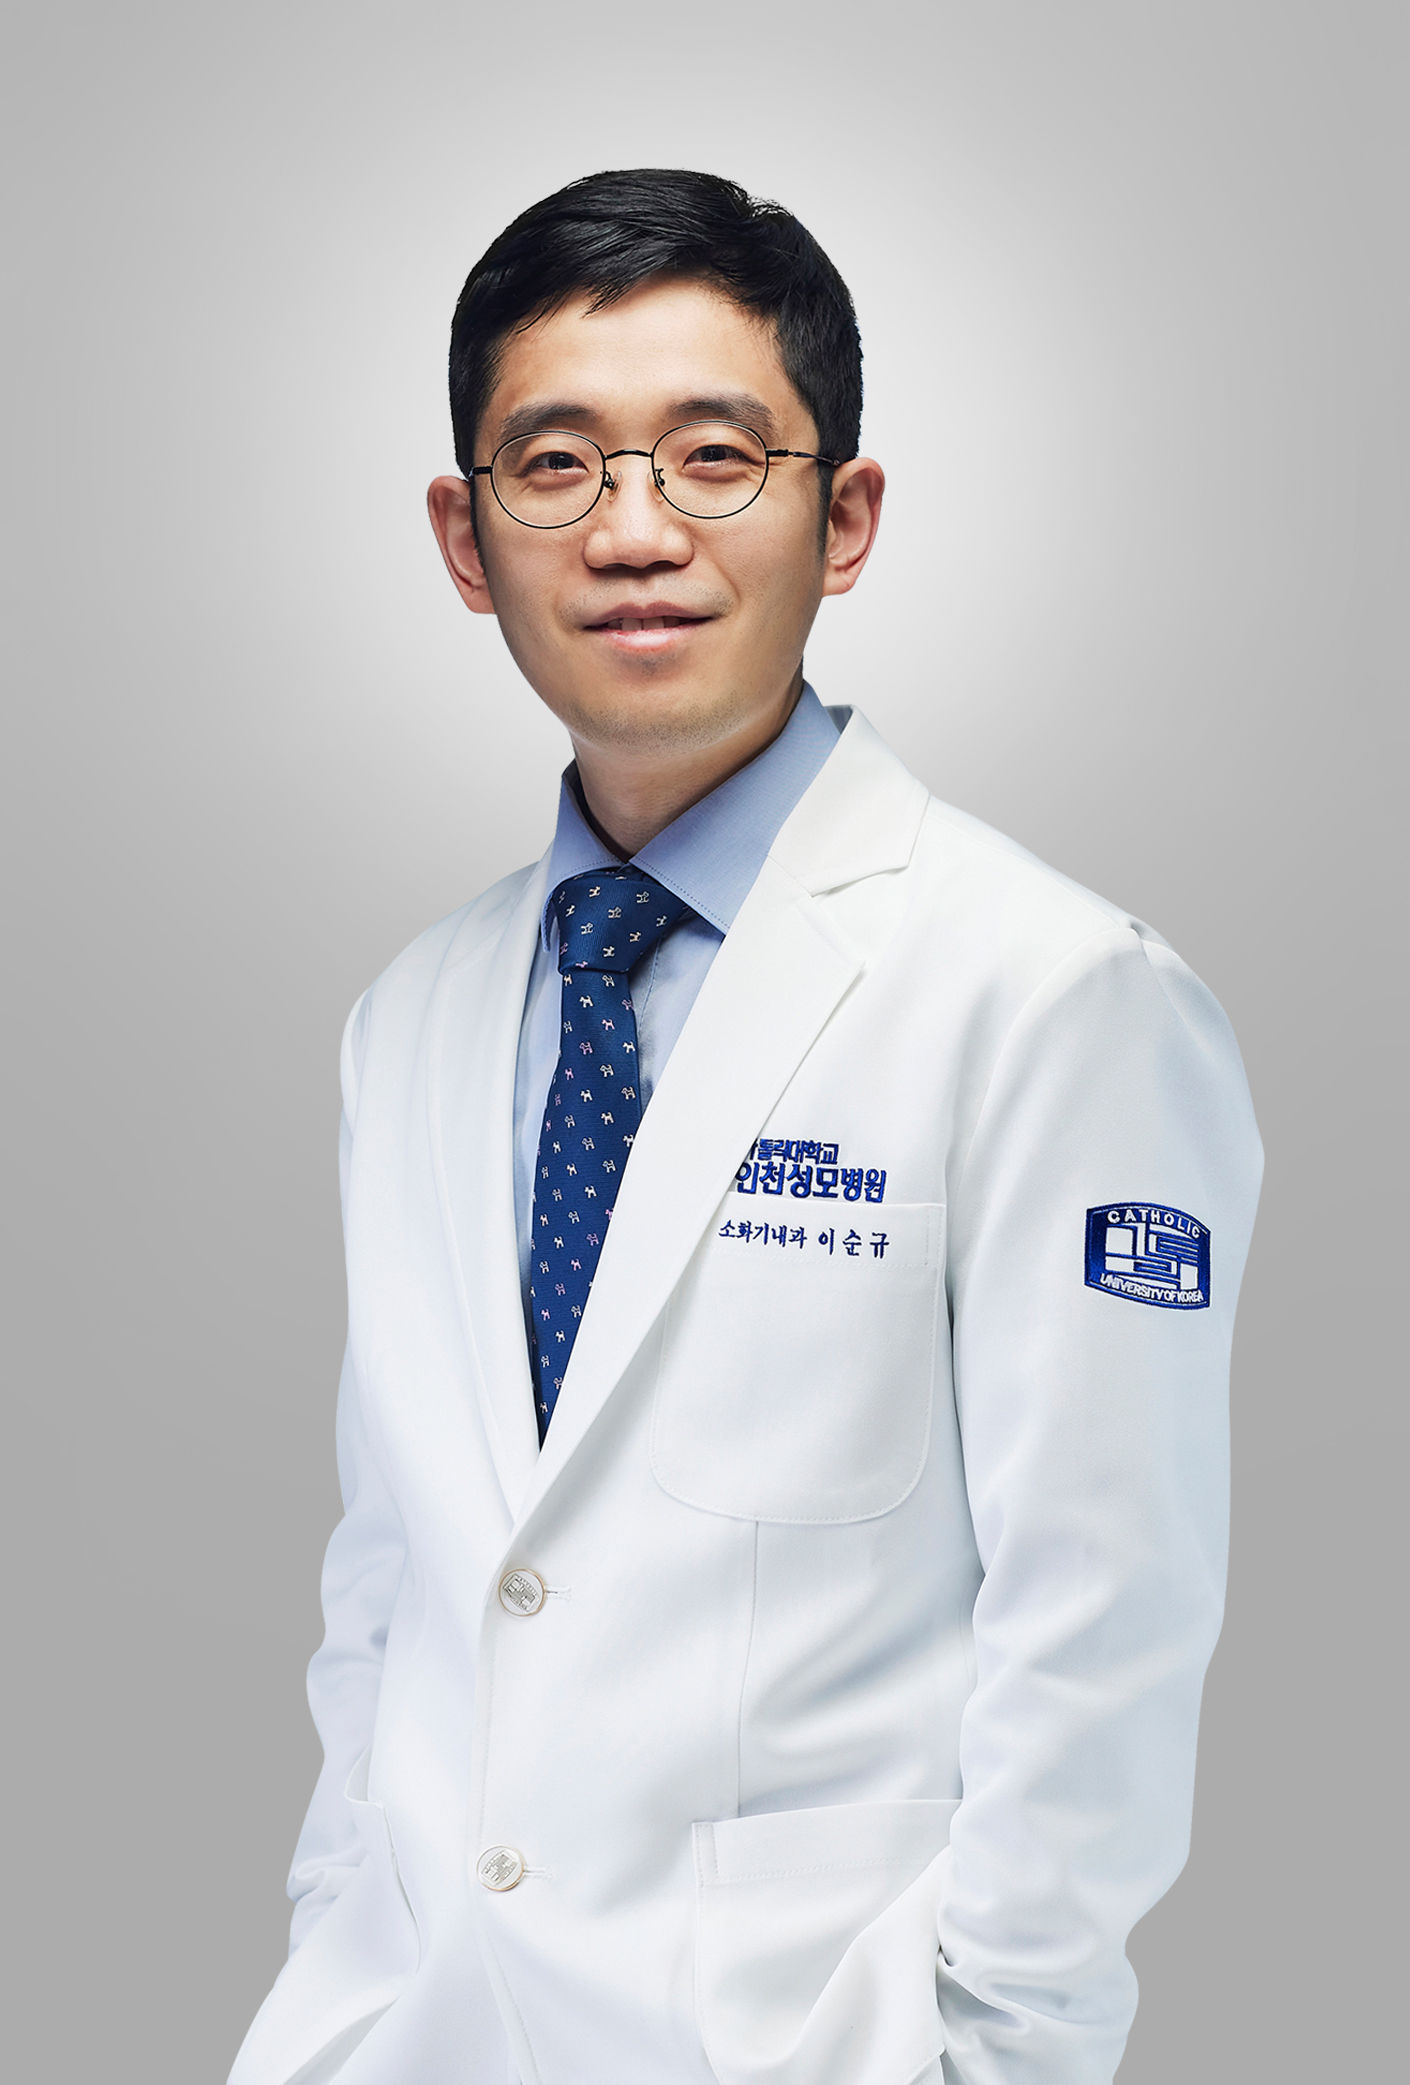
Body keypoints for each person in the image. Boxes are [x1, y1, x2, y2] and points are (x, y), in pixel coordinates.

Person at [229, 169, 1262, 2085]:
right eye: (555, 464)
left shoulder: (1051, 995)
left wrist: (993, 2052)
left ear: (841, 517)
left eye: (715, 457)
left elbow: (1106, 1618)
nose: (634, 532)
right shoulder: (413, 1018)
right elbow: (397, 1583)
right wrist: (337, 1971)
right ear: (464, 536)